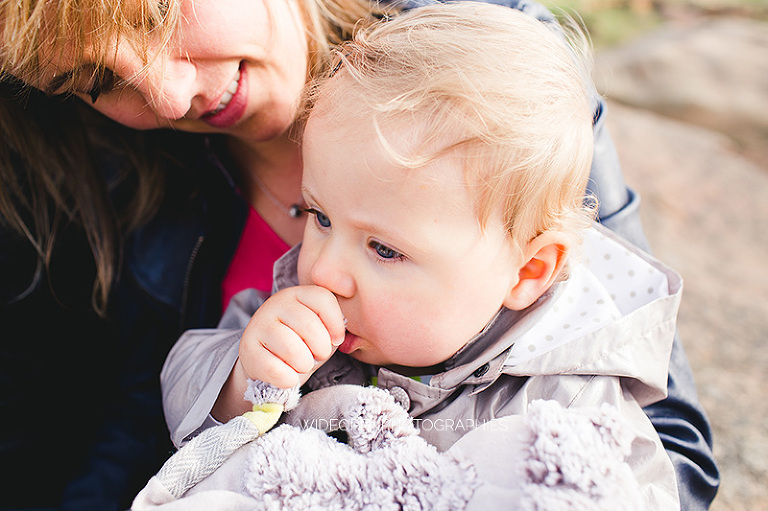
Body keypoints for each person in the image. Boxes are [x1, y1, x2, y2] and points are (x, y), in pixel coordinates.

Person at [0, 0, 718, 509]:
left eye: (157, 11)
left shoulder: (497, 95)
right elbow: (149, 414)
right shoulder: (131, 177)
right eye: (98, 81)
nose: (167, 94)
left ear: (529, 272)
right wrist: (246, 377)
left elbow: (663, 454)